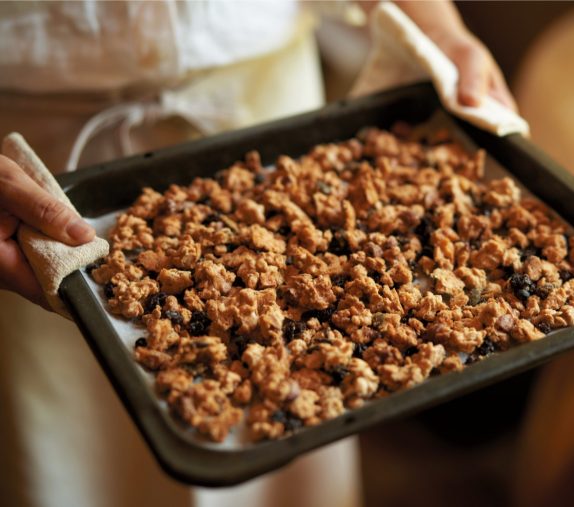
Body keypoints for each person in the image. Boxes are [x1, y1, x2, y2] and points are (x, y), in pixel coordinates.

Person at [0, 2, 516, 506]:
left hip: (270, 109)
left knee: (298, 442)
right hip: (34, 172)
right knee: (85, 445)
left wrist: (435, 27)